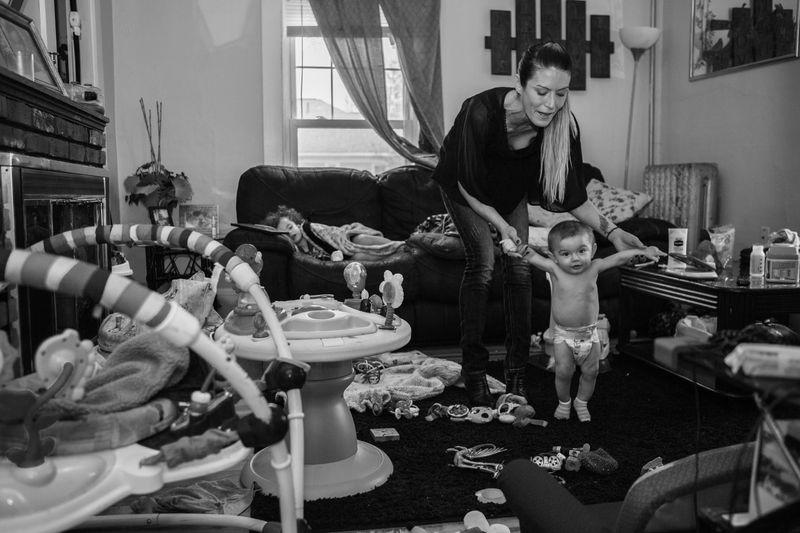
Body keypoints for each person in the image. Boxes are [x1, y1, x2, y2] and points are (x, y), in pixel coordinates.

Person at [430, 41, 645, 407]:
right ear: (520, 82)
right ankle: (475, 371)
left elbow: (574, 196)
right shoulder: (479, 112)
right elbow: (467, 182)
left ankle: (516, 374)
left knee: (519, 269)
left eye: (561, 94)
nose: (550, 104)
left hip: (508, 191)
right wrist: (500, 226)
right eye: (542, 91)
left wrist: (613, 231)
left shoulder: (562, 125)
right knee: (483, 263)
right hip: (464, 188)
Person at [521, 220, 664, 421]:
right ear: (553, 257)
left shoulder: (594, 267)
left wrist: (645, 251)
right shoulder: (554, 270)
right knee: (563, 372)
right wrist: (518, 247)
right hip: (564, 336)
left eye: (582, 251)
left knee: (591, 371)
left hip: (590, 334)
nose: (575, 259)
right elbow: (533, 256)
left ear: (593, 250)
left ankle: (581, 401)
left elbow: (618, 258)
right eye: (566, 254)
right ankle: (564, 403)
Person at [261, 205, 404, 261]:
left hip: (344, 237)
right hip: (344, 256)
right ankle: (396, 253)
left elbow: (328, 236)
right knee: (358, 257)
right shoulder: (296, 251)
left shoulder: (307, 228)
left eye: (290, 227)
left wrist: (340, 252)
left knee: (361, 239)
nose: (290, 232)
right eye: (285, 232)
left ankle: (399, 244)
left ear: (296, 223)